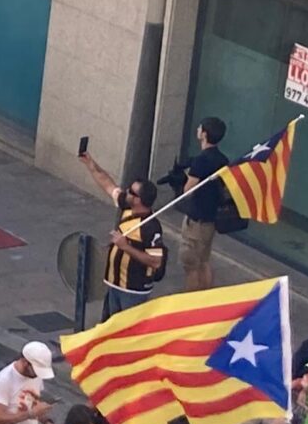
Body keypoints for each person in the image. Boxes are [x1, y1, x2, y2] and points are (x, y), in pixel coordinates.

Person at [76, 150, 166, 315]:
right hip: (114, 284)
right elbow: (108, 185)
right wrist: (90, 164)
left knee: (127, 332)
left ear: (139, 200)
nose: (126, 191)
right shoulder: (127, 205)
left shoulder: (151, 227)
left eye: (131, 191)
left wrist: (126, 247)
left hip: (132, 291)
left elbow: (155, 262)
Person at [162, 116, 230, 291]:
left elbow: (188, 190)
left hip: (196, 221)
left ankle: (190, 300)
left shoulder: (201, 161)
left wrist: (179, 181)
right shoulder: (222, 159)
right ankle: (206, 296)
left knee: (191, 265)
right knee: (204, 261)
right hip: (210, 218)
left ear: (204, 134)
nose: (197, 130)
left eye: (200, 128)